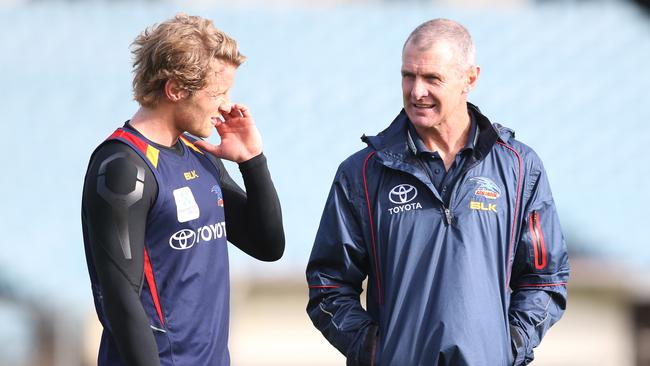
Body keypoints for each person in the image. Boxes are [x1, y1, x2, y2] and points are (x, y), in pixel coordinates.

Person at [306, 18, 569, 365]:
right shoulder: (362, 173)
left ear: (470, 79)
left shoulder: (520, 168)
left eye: (432, 78)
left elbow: (544, 279)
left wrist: (509, 346)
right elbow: (328, 285)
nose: (416, 91)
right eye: (408, 76)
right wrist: (373, 350)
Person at [81, 14, 285, 366]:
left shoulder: (198, 153)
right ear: (175, 89)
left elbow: (268, 246)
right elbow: (120, 301)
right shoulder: (123, 168)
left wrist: (252, 160)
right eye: (218, 92)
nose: (227, 105)